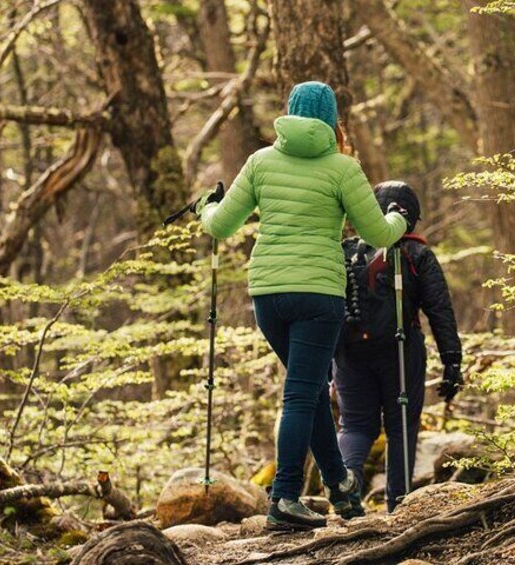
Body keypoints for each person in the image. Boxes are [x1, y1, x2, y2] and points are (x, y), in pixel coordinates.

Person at [196, 81, 407, 531]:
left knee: (307, 390)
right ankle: (285, 496)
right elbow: (379, 235)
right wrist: (398, 217)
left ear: (288, 113)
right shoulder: (342, 168)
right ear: (332, 120)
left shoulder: (260, 162)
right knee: (301, 393)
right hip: (317, 295)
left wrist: (204, 208)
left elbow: (220, 225)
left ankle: (341, 486)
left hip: (268, 294)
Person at [334, 180, 463, 515]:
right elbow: (440, 310)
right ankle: (399, 508)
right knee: (401, 427)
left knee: (355, 426)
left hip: (348, 353)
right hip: (400, 352)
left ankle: (346, 492)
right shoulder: (417, 254)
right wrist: (452, 362)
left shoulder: (346, 251)